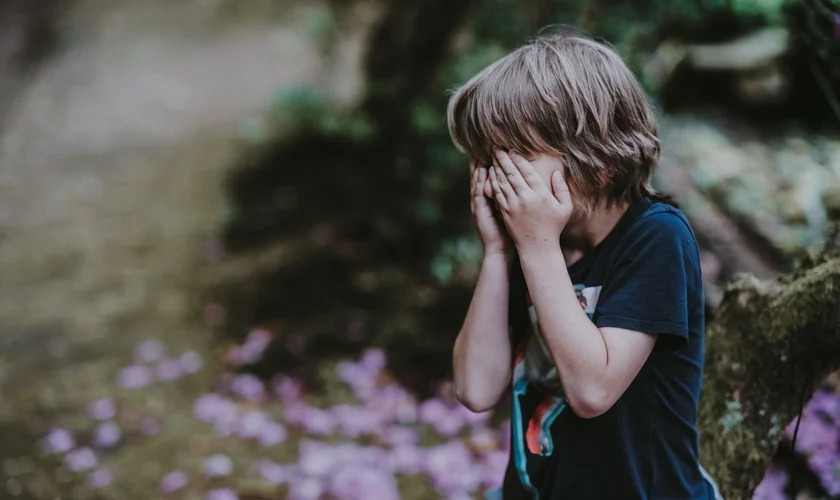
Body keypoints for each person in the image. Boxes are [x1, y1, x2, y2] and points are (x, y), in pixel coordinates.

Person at [447, 32, 723, 499]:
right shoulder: (529, 241)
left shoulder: (656, 237)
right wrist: (497, 253)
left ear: (597, 162)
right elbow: (475, 388)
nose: (499, 176)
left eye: (517, 156)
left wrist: (536, 248)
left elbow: (593, 391)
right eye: (488, 158)